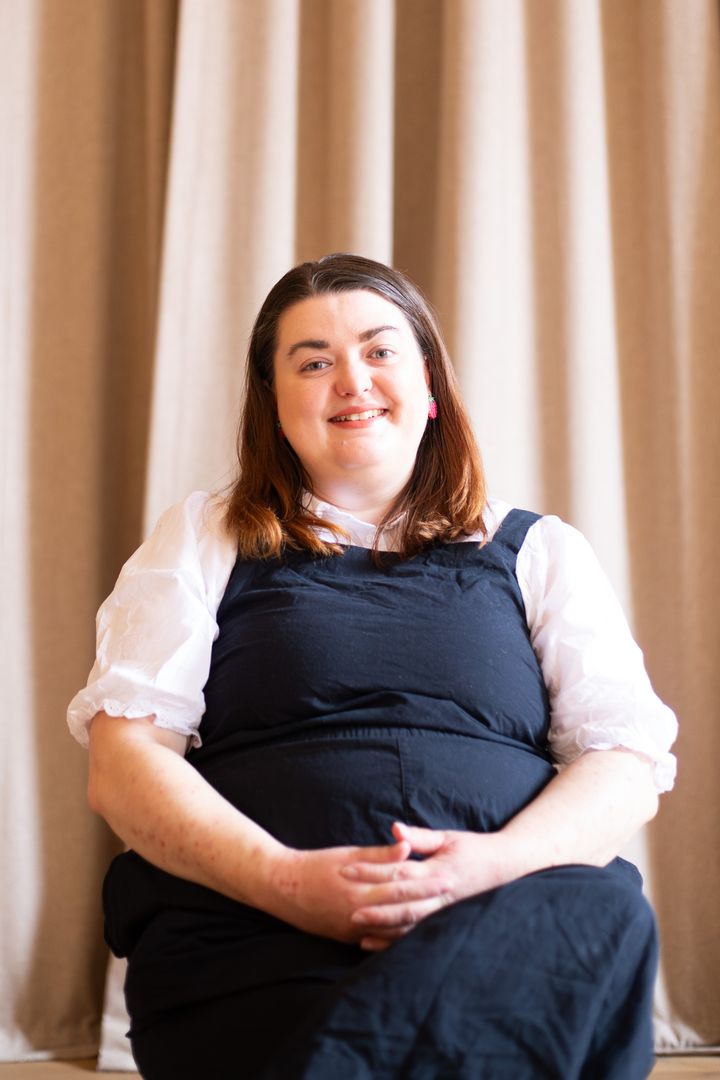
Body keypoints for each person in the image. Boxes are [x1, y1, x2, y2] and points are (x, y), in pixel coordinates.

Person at [68, 253, 677, 1079]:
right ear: (277, 412)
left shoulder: (540, 551)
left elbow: (623, 764)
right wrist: (288, 883)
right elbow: (124, 765)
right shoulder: (206, 537)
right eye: (313, 362)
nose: (350, 378)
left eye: (379, 351)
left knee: (600, 913)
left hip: (508, 920)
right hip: (256, 928)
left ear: (429, 387)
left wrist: (484, 870)